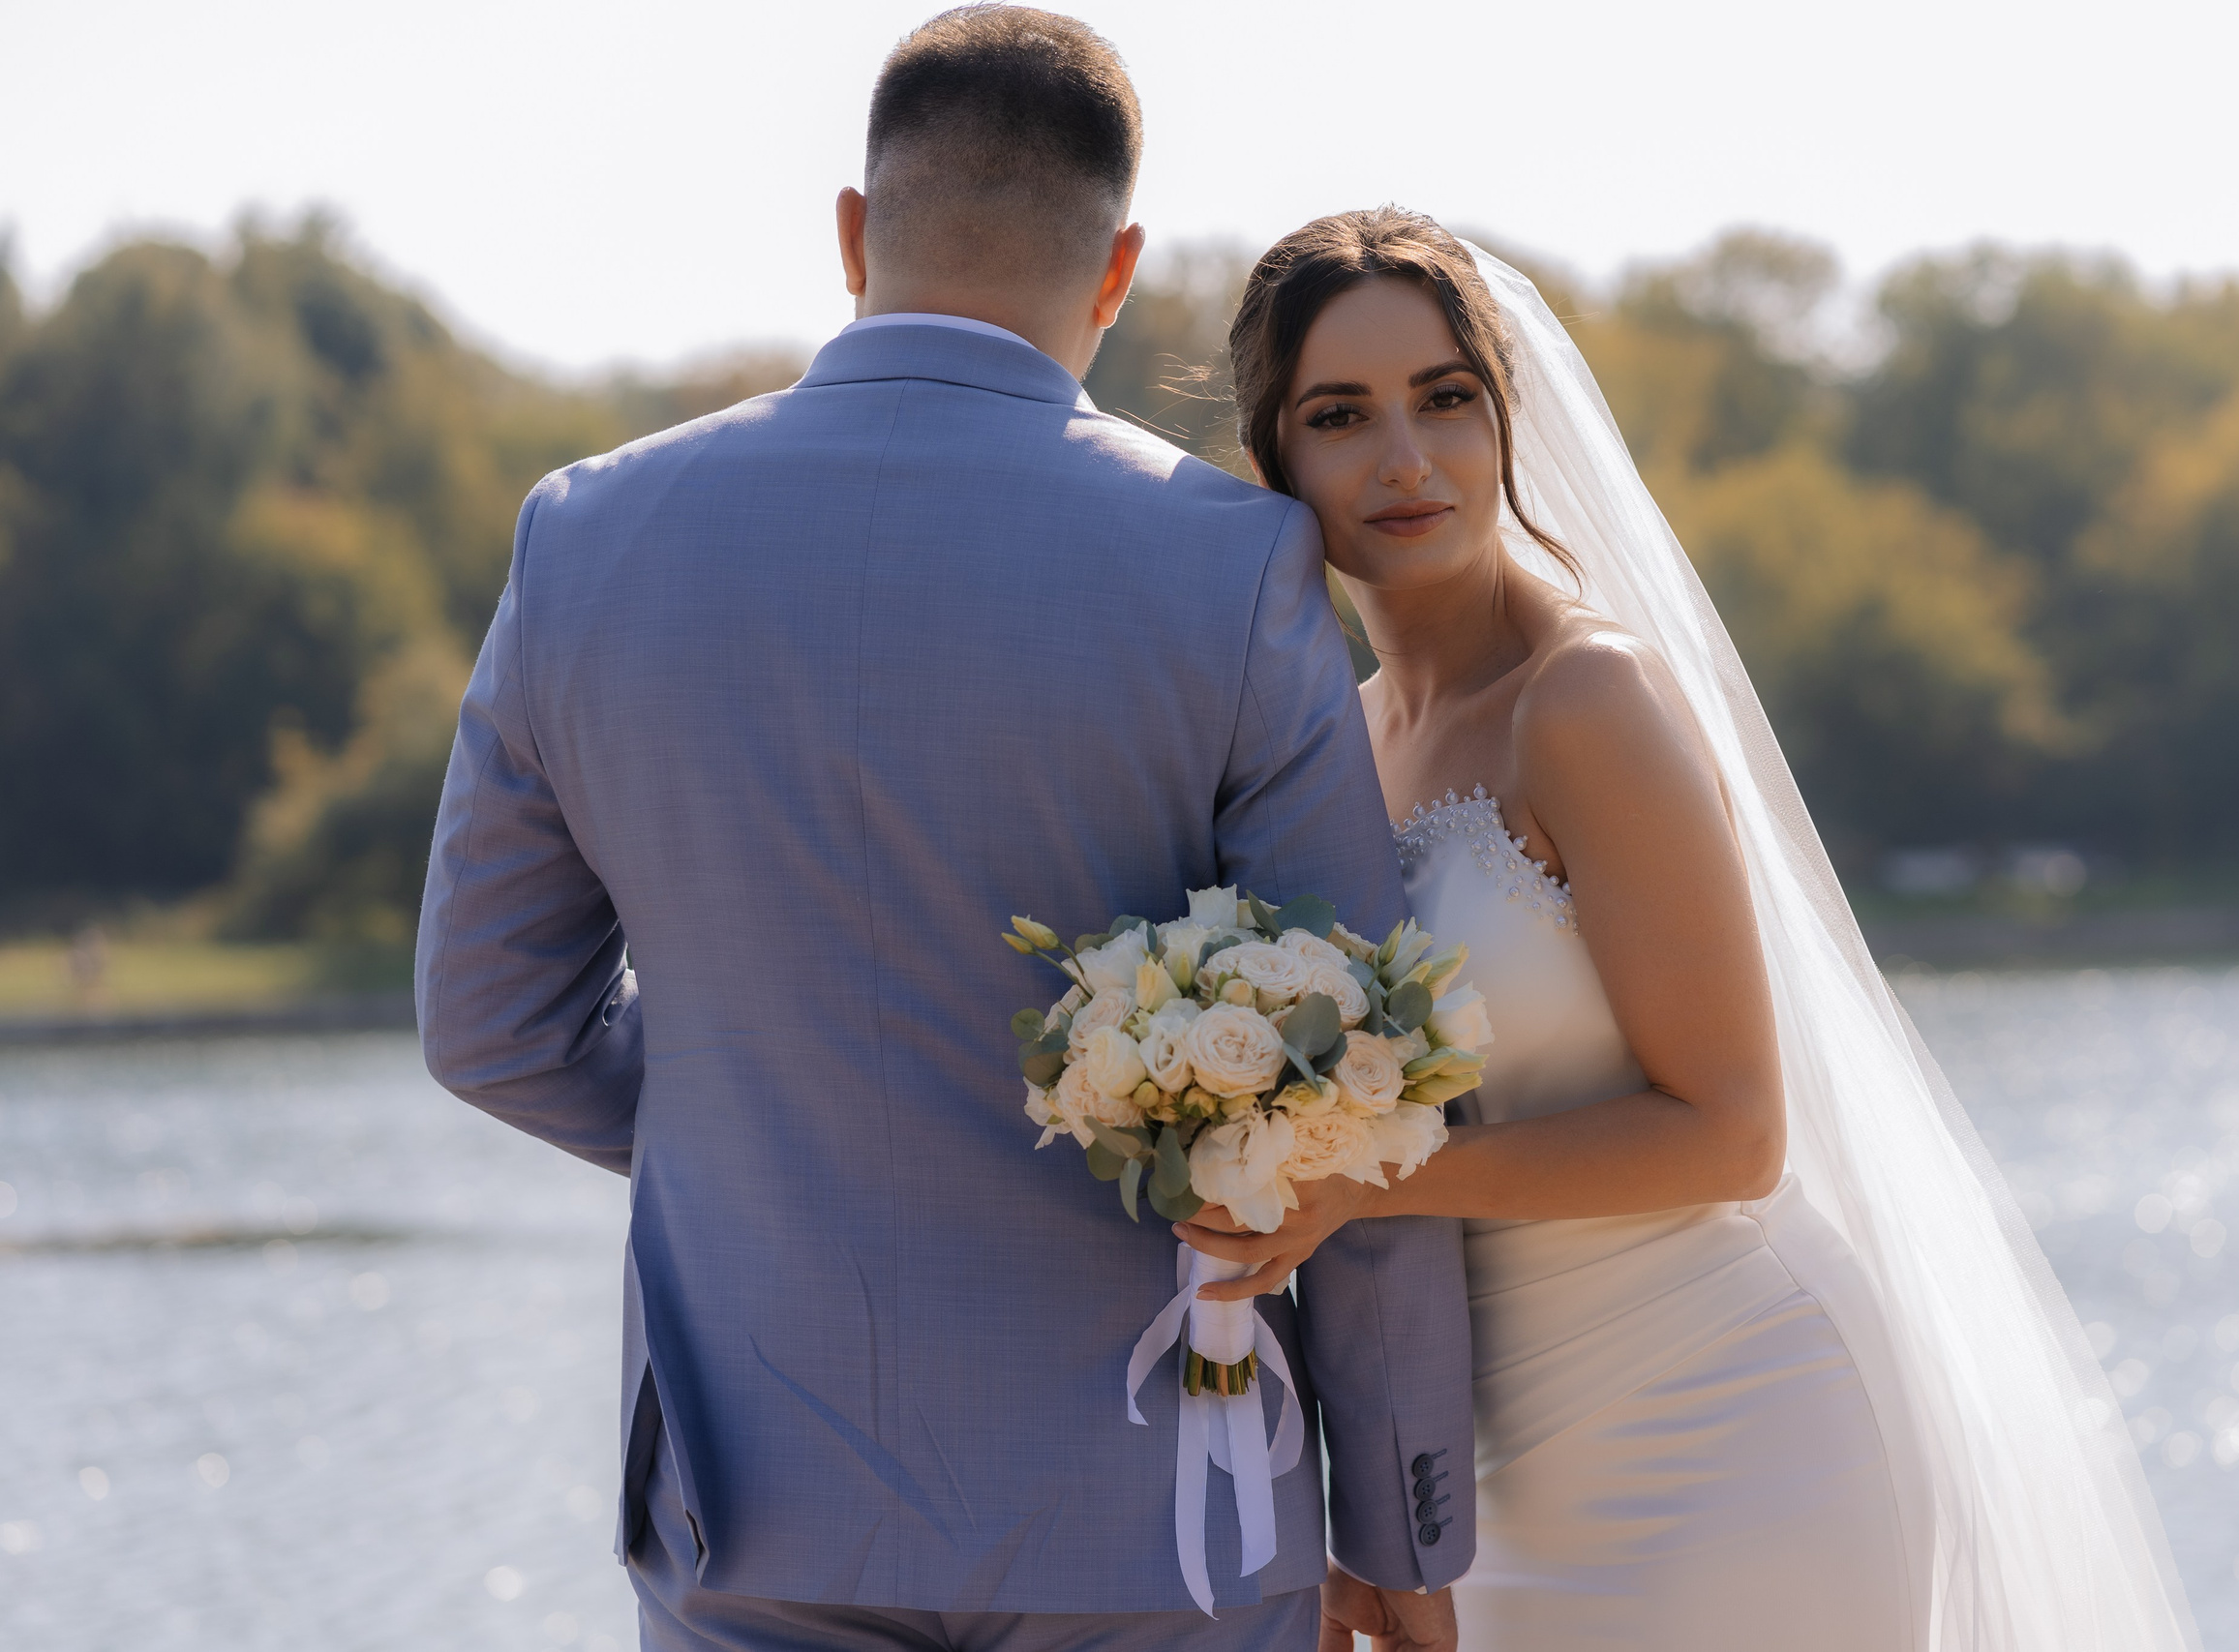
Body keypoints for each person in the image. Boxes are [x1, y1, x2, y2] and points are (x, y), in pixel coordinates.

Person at [414, 15, 1471, 1651]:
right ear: (1117, 268)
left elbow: (487, 1023)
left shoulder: (588, 535)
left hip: (749, 1501)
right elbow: (1355, 1086)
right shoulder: (1232, 567)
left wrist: (762, 1122)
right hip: (1165, 1524)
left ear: (853, 233)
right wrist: (1405, 1525)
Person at [1175, 210, 2203, 1652]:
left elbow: (1732, 1134)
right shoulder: (1339, 748)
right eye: (1341, 416)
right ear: (1275, 459)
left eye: (1446, 399)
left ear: (1506, 416)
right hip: (1503, 1491)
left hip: (1735, 1431)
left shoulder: (1585, 703)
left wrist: (1367, 1186)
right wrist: (1370, 1529)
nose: (1405, 457)